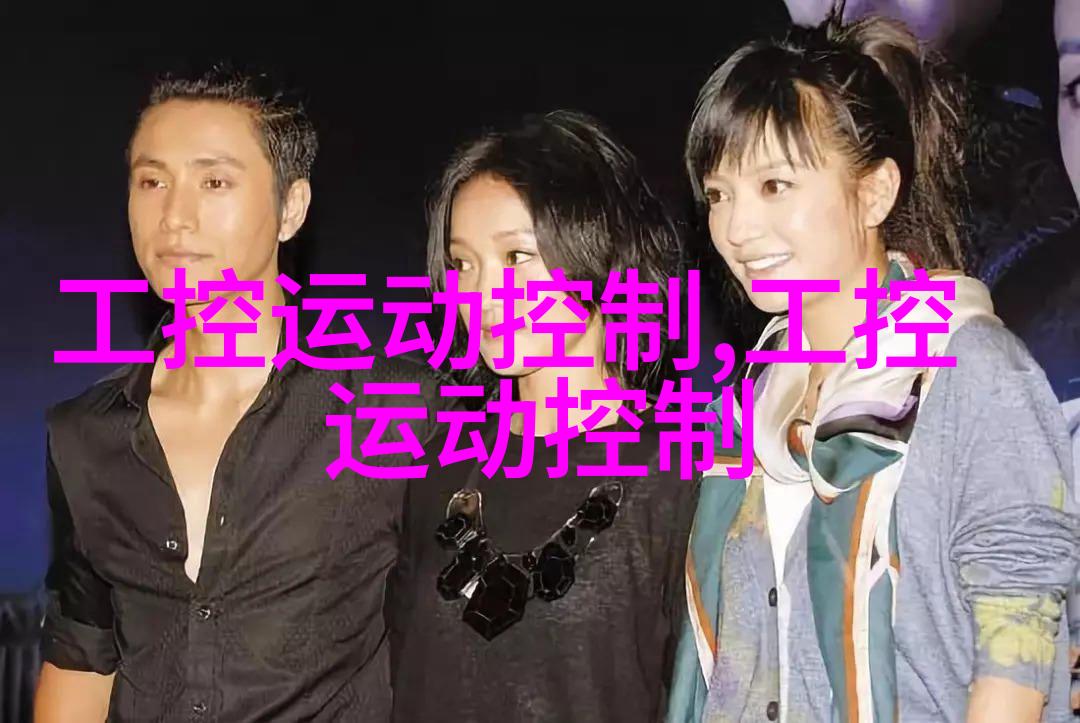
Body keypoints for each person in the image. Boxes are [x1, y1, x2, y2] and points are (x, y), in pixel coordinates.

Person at [668, 12, 1080, 722]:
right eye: (718, 194)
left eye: (774, 185)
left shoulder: (968, 367)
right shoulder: (752, 398)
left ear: (875, 192)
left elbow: (1016, 643)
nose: (735, 228)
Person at [34, 68, 455, 722]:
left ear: (291, 209)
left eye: (214, 182)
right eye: (152, 182)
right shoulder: (84, 434)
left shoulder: (394, 406)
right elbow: (81, 658)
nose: (175, 217)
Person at [388, 110, 699, 723]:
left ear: (600, 251)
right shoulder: (439, 461)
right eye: (462, 263)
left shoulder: (678, 479)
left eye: (516, 256)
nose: (482, 293)